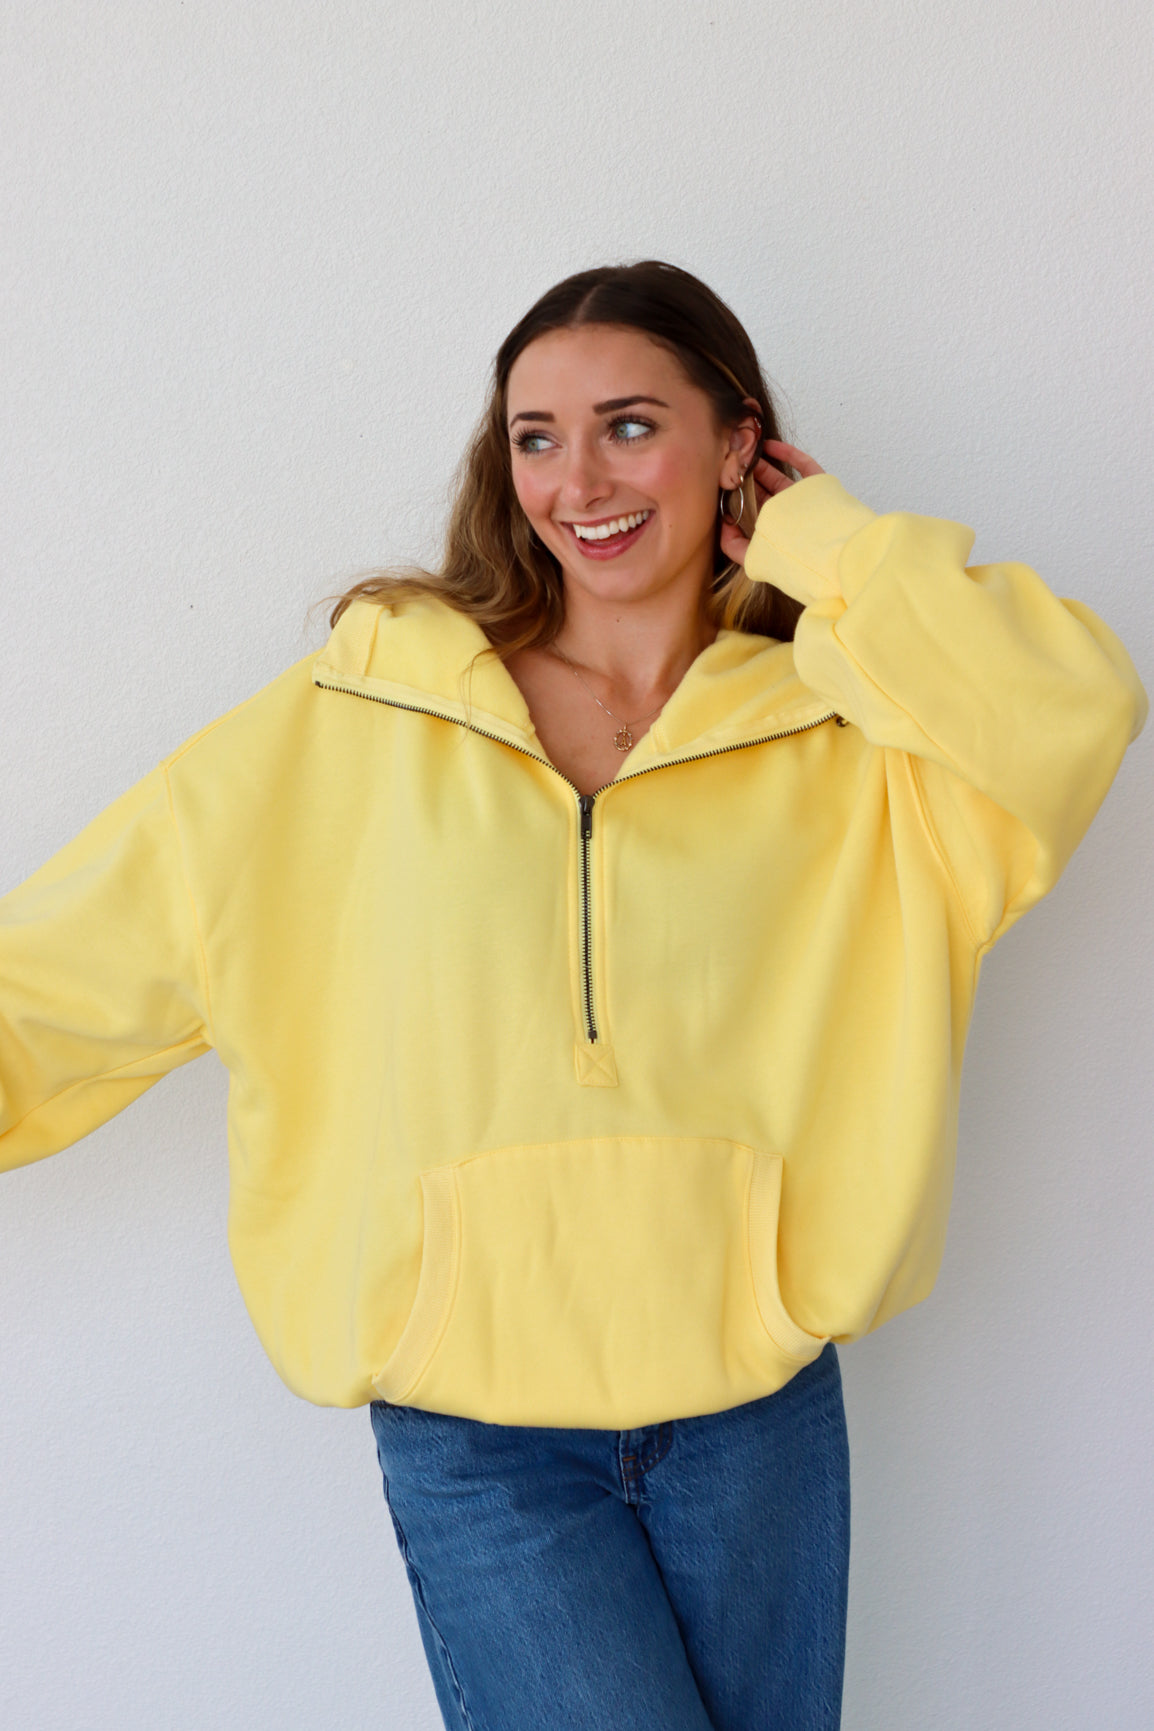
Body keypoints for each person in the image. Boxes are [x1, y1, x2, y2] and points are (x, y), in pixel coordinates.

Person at [0, 261, 1145, 1731]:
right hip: (478, 1432)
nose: (575, 480)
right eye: (533, 436)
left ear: (737, 443)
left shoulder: (862, 743)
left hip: (757, 1415)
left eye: (626, 425)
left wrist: (827, 541)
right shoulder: (355, 720)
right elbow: (61, 976)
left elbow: (1075, 706)